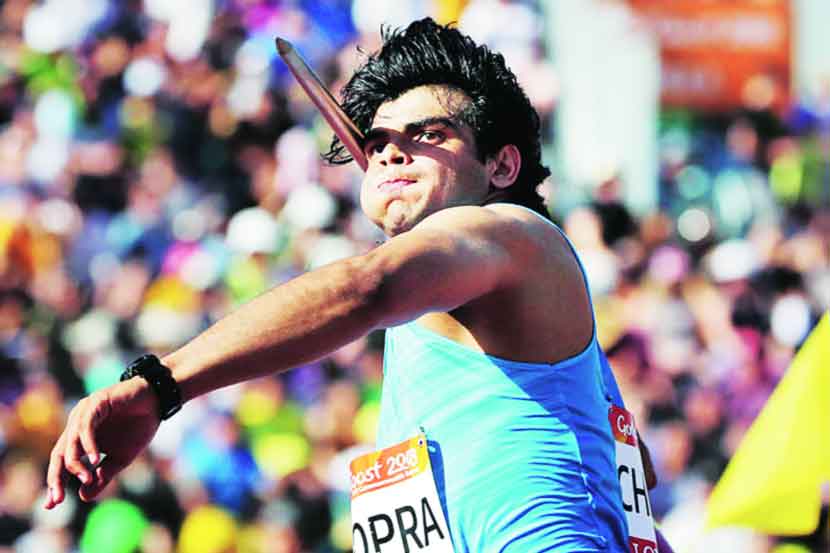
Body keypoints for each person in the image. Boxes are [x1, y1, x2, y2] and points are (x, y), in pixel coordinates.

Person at [45, 18, 639, 551]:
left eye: (430, 135)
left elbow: (364, 289)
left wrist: (160, 385)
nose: (392, 153)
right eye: (378, 143)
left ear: (501, 166)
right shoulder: (500, 310)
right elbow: (633, 500)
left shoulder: (511, 231)